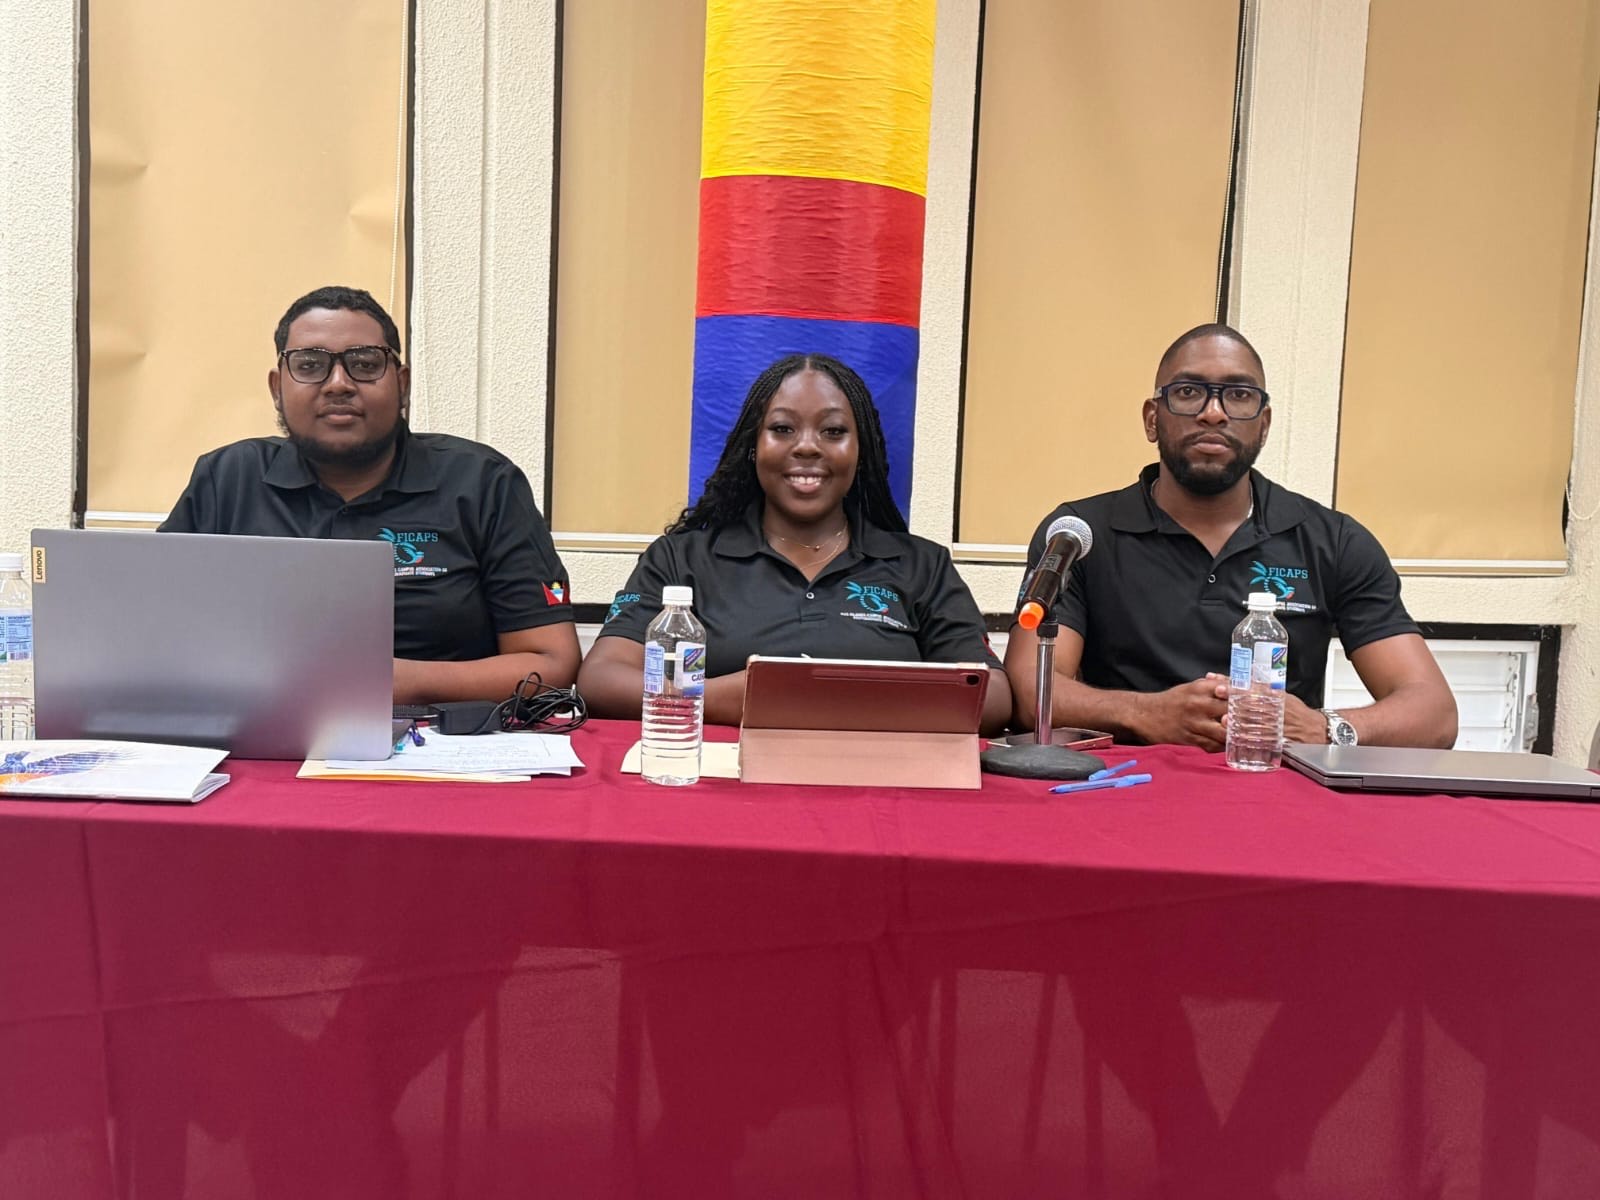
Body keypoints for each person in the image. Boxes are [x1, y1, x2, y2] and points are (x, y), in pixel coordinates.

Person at [1003, 323, 1457, 751]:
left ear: (1264, 424)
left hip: (1276, 784)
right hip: (1121, 785)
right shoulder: (1080, 534)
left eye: (1239, 395)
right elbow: (1029, 689)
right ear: (1152, 419)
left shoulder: (1333, 541)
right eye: (1188, 392)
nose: (1213, 413)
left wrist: (1324, 728)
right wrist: (1146, 713)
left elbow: (1434, 713)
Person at [160, 285, 579, 704]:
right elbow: (153, 630)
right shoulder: (227, 479)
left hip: (437, 731)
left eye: (364, 364)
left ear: (402, 384)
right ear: (277, 388)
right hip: (254, 725)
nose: (338, 384)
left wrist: (392, 681)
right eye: (309, 365)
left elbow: (551, 662)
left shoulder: (483, 482)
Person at [579, 353, 1011, 734]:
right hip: (721, 783)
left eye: (833, 431)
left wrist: (837, 699)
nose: (807, 447)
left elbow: (992, 698)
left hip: (880, 784)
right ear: (753, 446)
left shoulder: (922, 565)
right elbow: (602, 679)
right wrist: (737, 697)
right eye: (782, 429)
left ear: (861, 451)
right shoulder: (682, 558)